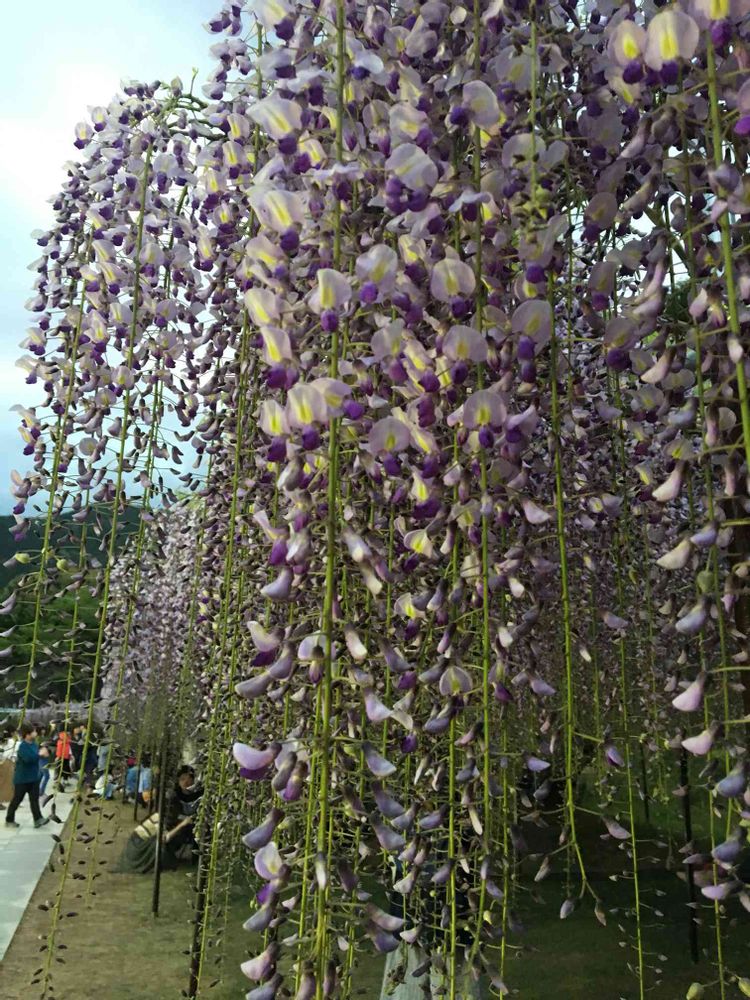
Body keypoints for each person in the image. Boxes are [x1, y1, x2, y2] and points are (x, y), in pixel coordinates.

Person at [113, 811, 194, 874]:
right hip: (138, 846)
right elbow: (165, 838)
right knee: (162, 842)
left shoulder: (163, 817)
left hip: (139, 842)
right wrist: (182, 824)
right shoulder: (158, 818)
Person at [5, 721, 50, 829]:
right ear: (27, 734)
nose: (36, 733)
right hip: (22, 779)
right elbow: (28, 759)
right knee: (17, 800)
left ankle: (38, 819)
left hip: (34, 778)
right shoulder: (22, 746)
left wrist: (44, 753)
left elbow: (37, 757)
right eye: (33, 731)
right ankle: (9, 820)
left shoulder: (34, 744)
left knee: (34, 800)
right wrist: (40, 754)